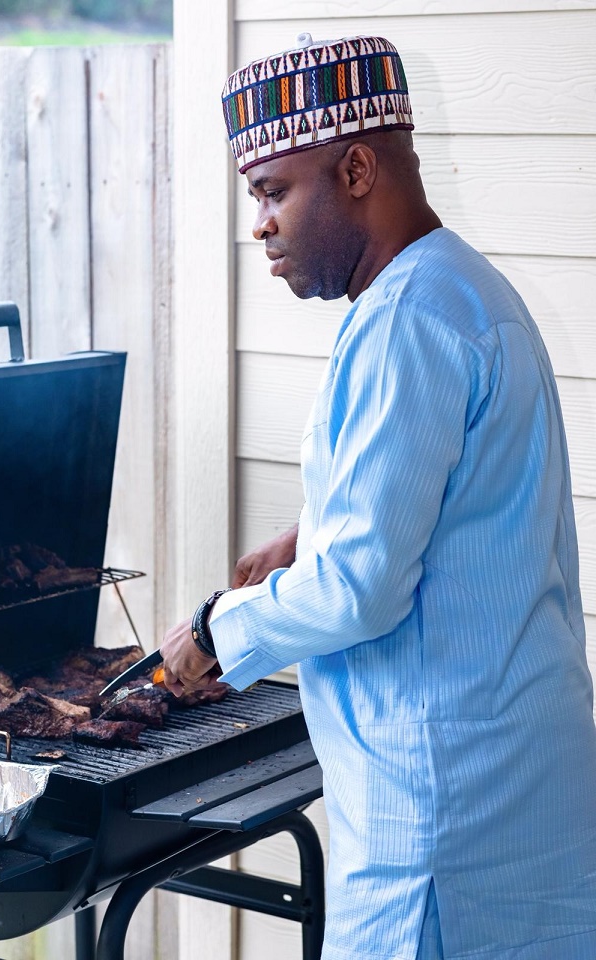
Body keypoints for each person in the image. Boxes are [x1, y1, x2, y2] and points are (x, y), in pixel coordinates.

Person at [160, 33, 596, 959]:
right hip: (516, 799)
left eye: (275, 191)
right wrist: (310, 531)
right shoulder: (464, 290)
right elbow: (459, 509)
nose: (260, 226)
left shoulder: (404, 322)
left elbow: (358, 589)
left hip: (438, 828)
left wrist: (213, 632)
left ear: (356, 167)